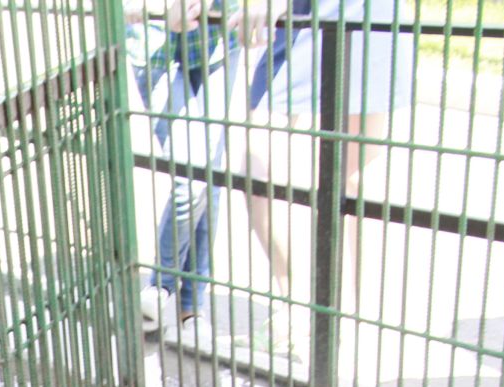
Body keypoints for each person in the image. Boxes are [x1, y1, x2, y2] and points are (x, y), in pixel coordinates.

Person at [232, 0, 417, 356]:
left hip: (365, 17)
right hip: (298, 19)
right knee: (258, 169)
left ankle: (352, 323)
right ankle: (296, 308)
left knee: (357, 178)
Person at [128, 2, 247, 329]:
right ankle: (162, 287)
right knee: (193, 177)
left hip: (216, 38)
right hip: (154, 42)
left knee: (210, 178)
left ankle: (191, 306)